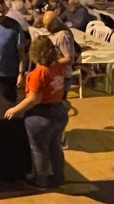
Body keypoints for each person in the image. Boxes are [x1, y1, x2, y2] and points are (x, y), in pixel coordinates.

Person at [5, 36, 68, 190]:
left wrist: (15, 110)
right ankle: (60, 177)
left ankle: (40, 181)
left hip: (41, 115)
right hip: (59, 111)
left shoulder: (38, 73)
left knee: (39, 150)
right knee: (55, 146)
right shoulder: (57, 66)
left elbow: (34, 99)